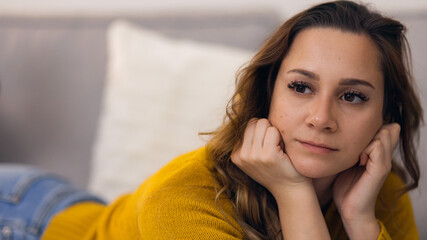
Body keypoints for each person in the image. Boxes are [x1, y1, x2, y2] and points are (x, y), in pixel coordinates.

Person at [0, 1, 422, 239]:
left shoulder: (374, 188)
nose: (321, 118)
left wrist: (362, 224)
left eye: (352, 96)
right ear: (267, 94)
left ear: (385, 117)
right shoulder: (182, 200)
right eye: (301, 87)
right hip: (24, 219)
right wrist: (295, 194)